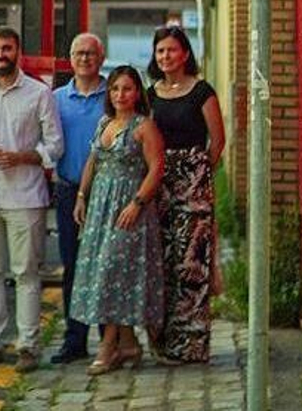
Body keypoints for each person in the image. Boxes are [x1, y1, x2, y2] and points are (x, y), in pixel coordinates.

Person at [0, 26, 63, 373]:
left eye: (6, 49)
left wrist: (22, 156)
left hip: (25, 194)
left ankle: (28, 346)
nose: (0, 55)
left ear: (18, 52)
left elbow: (55, 146)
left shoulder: (39, 93)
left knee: (26, 273)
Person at [70, 65, 165, 375]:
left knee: (113, 274)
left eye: (126, 88)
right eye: (115, 89)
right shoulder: (104, 123)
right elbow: (93, 161)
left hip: (129, 209)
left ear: (137, 92)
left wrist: (137, 203)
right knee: (103, 271)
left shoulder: (144, 126)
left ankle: (108, 347)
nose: (120, 95)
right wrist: (82, 196)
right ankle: (128, 344)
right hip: (100, 207)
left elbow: (156, 168)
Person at [146, 25, 225, 365]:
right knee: (162, 263)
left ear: (185, 54)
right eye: (160, 51)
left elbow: (217, 142)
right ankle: (162, 342)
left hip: (194, 188)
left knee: (192, 265)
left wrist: (199, 177)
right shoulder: (150, 95)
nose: (166, 57)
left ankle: (192, 346)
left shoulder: (202, 92)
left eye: (171, 50)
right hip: (160, 185)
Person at [49, 33, 108, 364]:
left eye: (91, 53)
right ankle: (74, 339)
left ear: (101, 57)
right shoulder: (56, 98)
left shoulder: (112, 97)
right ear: (70, 59)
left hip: (107, 192)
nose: (85, 58)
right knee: (73, 266)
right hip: (70, 190)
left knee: (103, 266)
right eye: (79, 53)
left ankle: (107, 338)